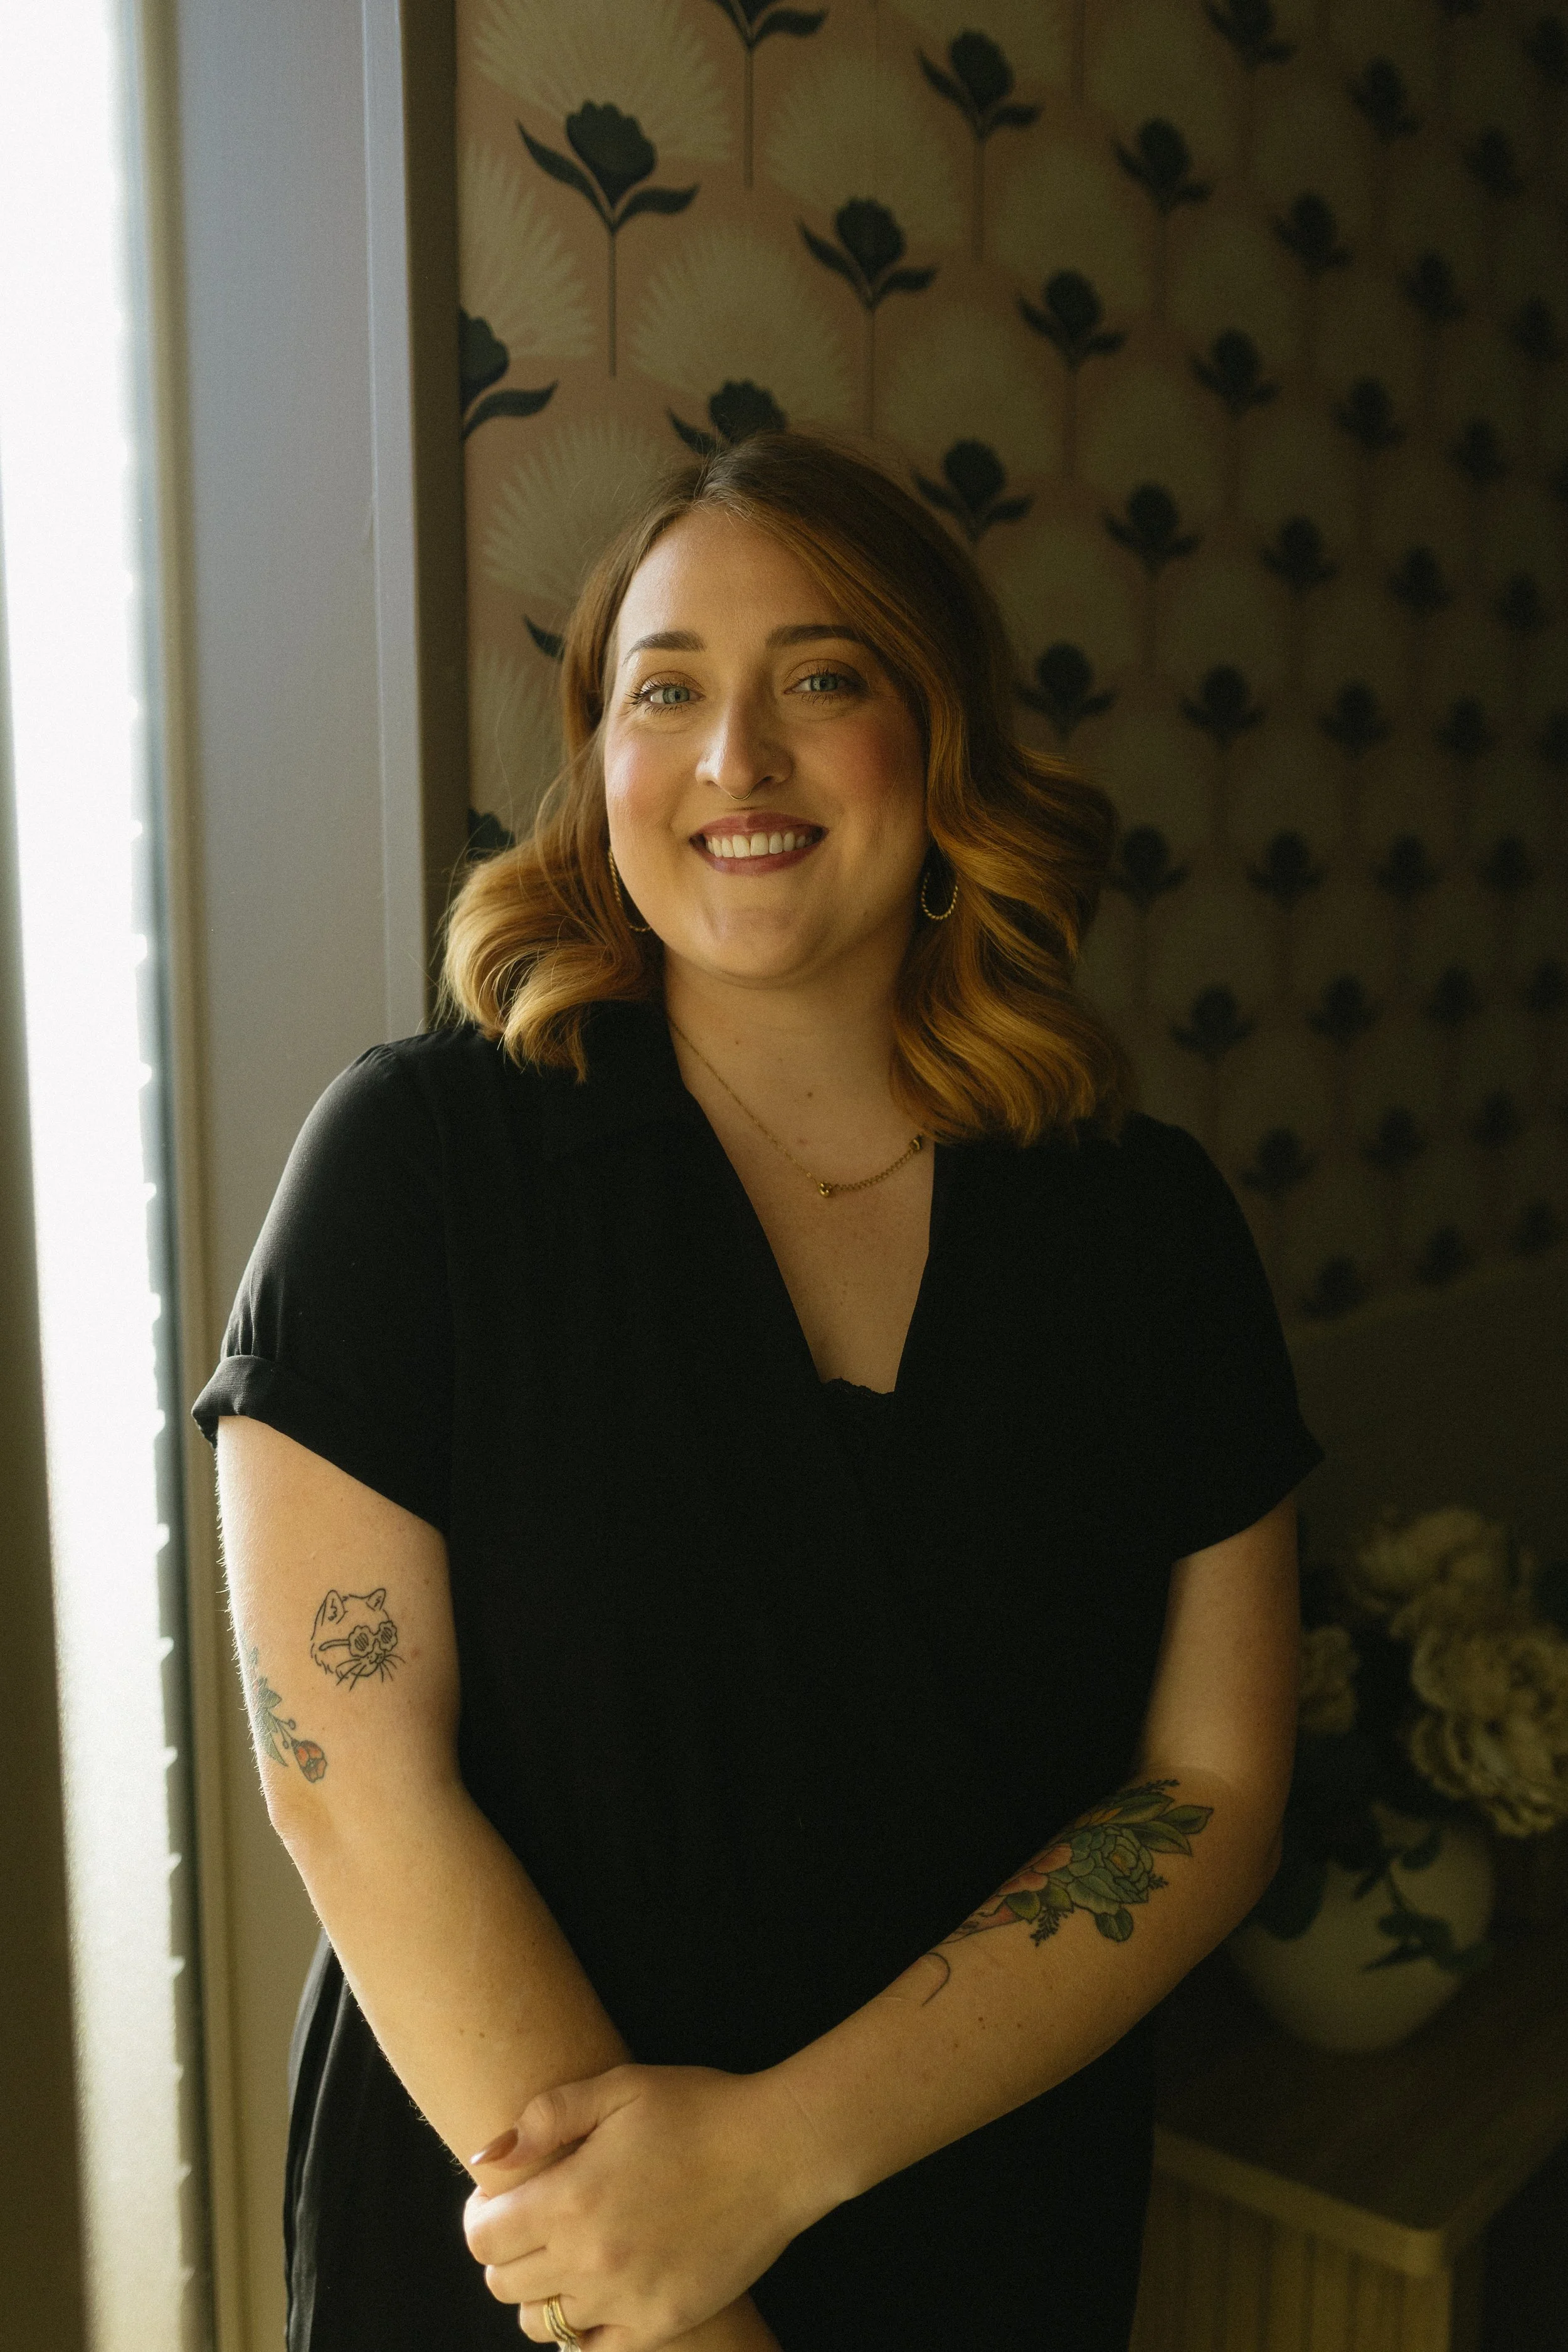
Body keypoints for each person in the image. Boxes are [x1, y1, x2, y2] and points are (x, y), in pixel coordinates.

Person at [195, 430, 1322, 2352]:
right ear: (601, 764)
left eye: (821, 678)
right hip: (526, 2260)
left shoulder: (1142, 1228)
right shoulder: (419, 1163)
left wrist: (775, 2157)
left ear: (941, 737)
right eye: (666, 692)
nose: (736, 758)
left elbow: (1208, 1783)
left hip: (984, 2223)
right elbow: (355, 1788)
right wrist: (674, 2298)